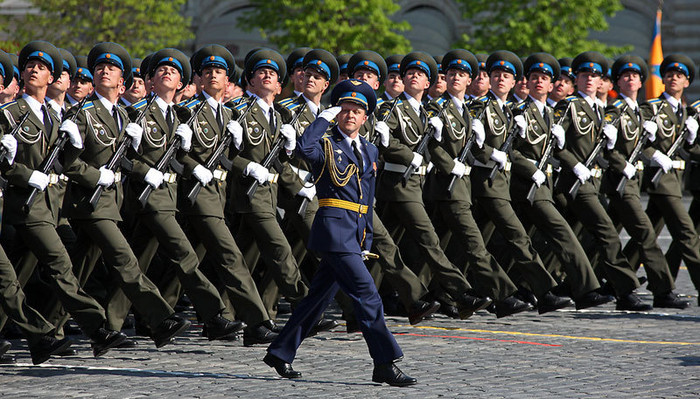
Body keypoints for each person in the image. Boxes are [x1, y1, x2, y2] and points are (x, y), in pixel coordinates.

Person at [264, 79, 416, 387]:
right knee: (368, 294)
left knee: (317, 300)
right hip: (333, 232)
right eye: (344, 110)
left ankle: (280, 352)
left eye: (357, 110)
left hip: (354, 233)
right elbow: (303, 149)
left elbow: (367, 199)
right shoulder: (325, 145)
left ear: (365, 117)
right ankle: (384, 363)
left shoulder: (371, 149)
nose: (350, 114)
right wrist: (321, 120)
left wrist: (366, 239)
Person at [600, 55, 689, 308]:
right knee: (645, 234)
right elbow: (607, 149)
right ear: (617, 82)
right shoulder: (615, 111)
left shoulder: (637, 112)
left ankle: (600, 283)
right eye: (625, 76)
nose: (630, 79)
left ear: (641, 82)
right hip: (620, 183)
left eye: (635, 76)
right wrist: (622, 164)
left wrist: (651, 152)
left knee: (601, 237)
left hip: (633, 183)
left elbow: (640, 148)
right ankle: (659, 290)